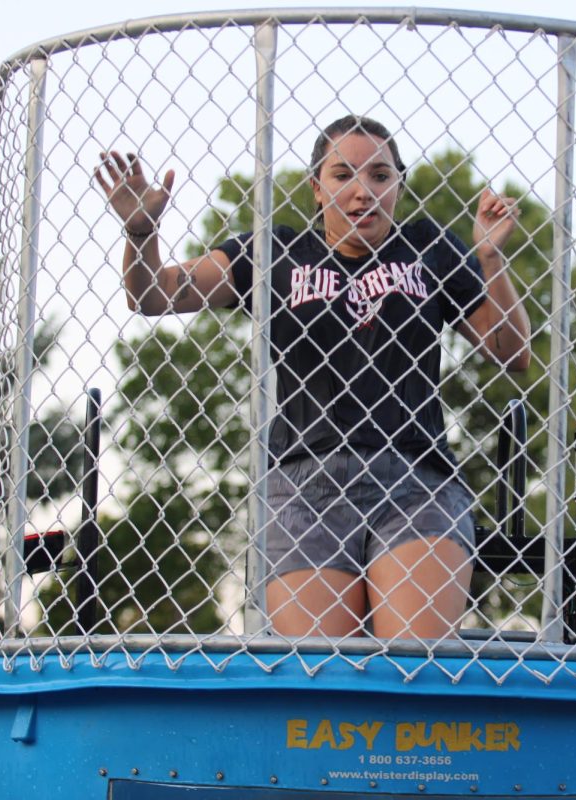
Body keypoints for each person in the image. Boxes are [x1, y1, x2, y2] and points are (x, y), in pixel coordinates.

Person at [95, 115, 530, 639]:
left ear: (399, 185)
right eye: (342, 174)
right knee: (323, 673)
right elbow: (154, 294)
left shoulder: (427, 247)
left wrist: (488, 256)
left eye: (380, 175)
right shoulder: (275, 252)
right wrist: (141, 231)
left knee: (417, 664)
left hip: (416, 480)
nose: (361, 191)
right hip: (305, 485)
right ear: (316, 187)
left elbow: (511, 350)